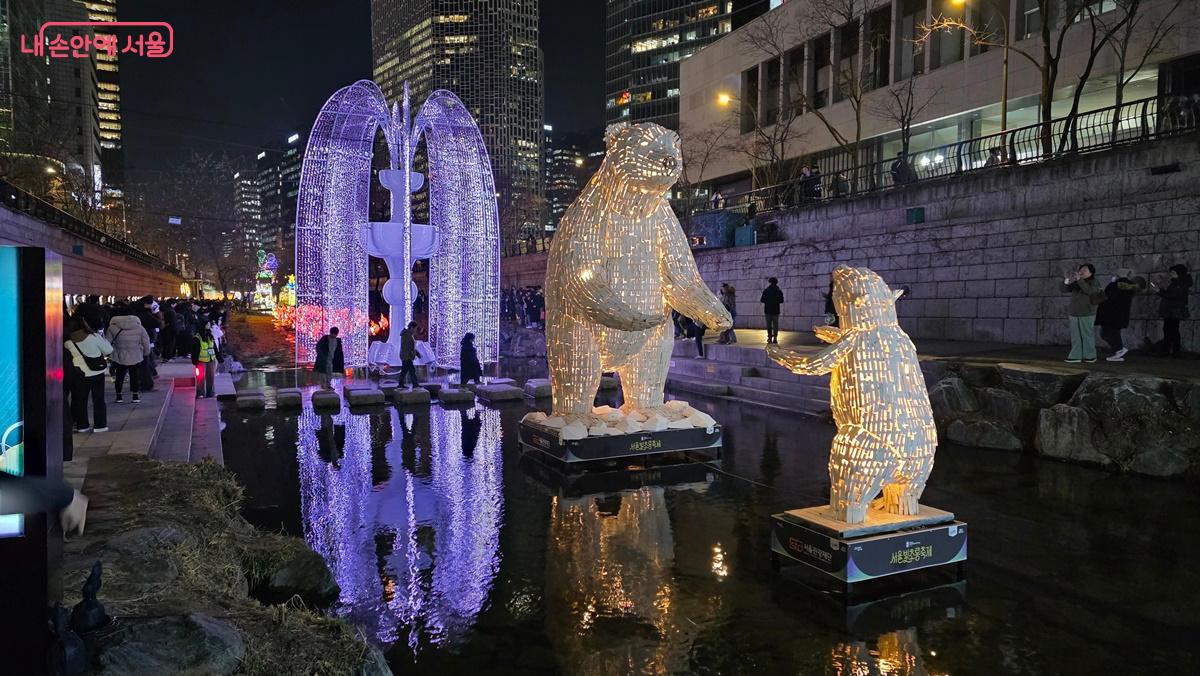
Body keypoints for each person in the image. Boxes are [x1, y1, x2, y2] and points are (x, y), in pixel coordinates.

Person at [64, 316, 113, 433]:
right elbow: (109, 350)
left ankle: (82, 425)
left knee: (80, 400)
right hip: (97, 372)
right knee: (99, 400)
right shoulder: (94, 337)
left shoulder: (68, 342)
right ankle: (100, 426)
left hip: (78, 374)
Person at [106, 305, 151, 404]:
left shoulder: (112, 327)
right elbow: (146, 341)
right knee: (134, 375)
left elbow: (107, 342)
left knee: (119, 376)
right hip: (135, 354)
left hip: (119, 354)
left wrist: (108, 354)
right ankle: (135, 395)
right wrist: (146, 352)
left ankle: (119, 396)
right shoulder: (139, 327)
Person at [1094, 268, 1140, 362]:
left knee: (1107, 333)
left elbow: (1107, 297)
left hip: (1110, 314)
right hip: (1119, 314)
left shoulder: (1115, 285)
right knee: (1113, 333)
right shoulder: (1129, 286)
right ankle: (1118, 351)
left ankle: (1119, 349)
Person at [1062, 263, 1103, 363]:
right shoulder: (1078, 282)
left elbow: (1090, 291)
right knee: (1075, 335)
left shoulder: (1094, 282)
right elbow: (1064, 289)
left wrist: (1079, 279)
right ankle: (1076, 355)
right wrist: (1067, 279)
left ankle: (1090, 356)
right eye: (1081, 269)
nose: (1081, 271)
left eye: (1085, 270)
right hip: (1074, 312)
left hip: (1087, 312)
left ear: (1091, 272)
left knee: (1086, 334)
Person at [1150, 263, 1193, 357]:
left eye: (1173, 272)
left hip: (1174, 310)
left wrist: (1159, 292)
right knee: (1170, 330)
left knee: (1171, 330)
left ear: (1179, 273)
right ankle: (1170, 350)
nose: (1171, 274)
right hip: (1172, 310)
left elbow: (1173, 296)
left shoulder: (1180, 283)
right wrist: (1160, 290)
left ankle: (1172, 351)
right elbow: (1171, 294)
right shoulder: (1177, 282)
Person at [191, 324, 222, 398]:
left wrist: (219, 358)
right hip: (201, 361)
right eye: (207, 326)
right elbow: (194, 351)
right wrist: (194, 361)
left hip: (211, 360)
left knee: (211, 377)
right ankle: (201, 393)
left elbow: (215, 348)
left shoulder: (210, 337)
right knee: (201, 378)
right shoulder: (197, 338)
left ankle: (210, 393)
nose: (208, 330)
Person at [760, 277, 784, 345]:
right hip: (776, 310)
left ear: (770, 282)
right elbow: (781, 300)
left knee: (769, 325)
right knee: (775, 325)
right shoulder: (779, 290)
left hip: (768, 310)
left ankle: (770, 338)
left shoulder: (766, 290)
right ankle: (775, 338)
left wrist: (768, 301)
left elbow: (762, 300)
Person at [398, 321, 420, 389]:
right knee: (411, 370)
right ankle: (415, 385)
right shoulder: (407, 335)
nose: (416, 331)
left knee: (405, 370)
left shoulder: (408, 334)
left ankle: (401, 384)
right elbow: (407, 347)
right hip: (406, 356)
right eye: (415, 329)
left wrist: (416, 353)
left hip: (406, 355)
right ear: (411, 327)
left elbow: (410, 347)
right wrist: (413, 354)